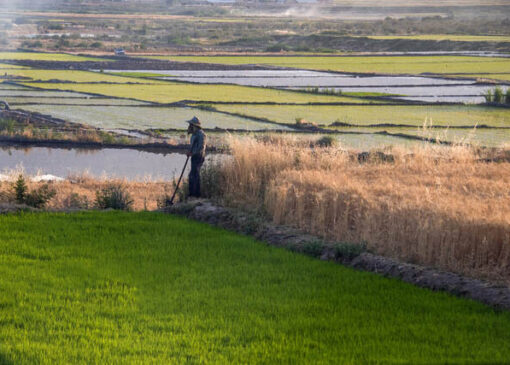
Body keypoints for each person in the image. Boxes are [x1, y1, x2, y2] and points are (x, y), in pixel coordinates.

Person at [186, 116, 206, 198]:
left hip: (199, 157)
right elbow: (192, 146)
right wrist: (189, 152)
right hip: (194, 157)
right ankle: (192, 194)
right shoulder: (193, 135)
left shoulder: (201, 134)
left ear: (195, 126)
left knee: (195, 175)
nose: (190, 126)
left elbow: (201, 147)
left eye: (191, 125)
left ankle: (196, 195)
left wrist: (192, 153)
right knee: (192, 175)